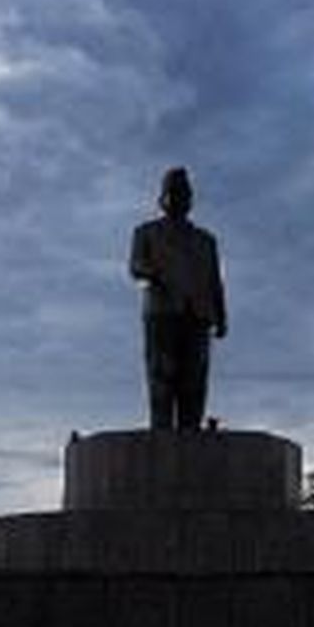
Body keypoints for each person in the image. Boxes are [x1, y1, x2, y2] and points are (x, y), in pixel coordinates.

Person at [129, 167, 227, 430]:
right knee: (162, 374)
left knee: (194, 379)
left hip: (198, 314)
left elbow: (215, 279)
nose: (178, 199)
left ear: (191, 199)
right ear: (161, 198)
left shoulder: (206, 240)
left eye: (184, 193)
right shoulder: (146, 232)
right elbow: (136, 265)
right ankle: (161, 433)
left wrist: (221, 315)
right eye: (172, 193)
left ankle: (190, 432)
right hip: (162, 311)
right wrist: (153, 274)